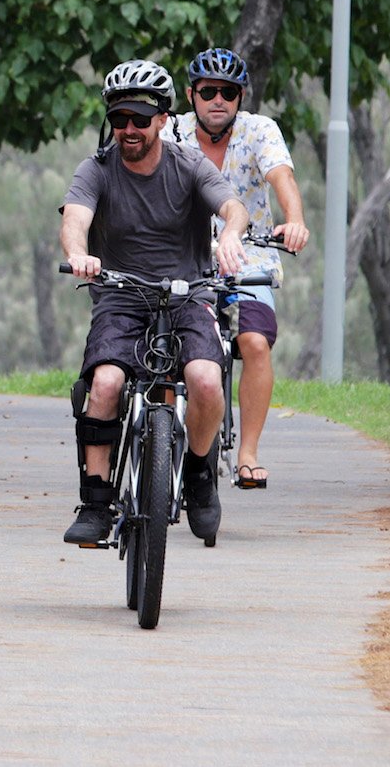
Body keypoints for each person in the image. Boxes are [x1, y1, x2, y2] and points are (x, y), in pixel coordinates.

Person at [60, 59, 247, 546]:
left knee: (206, 378)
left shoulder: (188, 164)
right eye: (119, 118)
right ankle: (96, 503)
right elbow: (75, 220)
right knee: (104, 384)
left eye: (140, 119)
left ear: (163, 119)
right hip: (120, 297)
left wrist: (229, 235)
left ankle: (201, 474)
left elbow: (233, 206)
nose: (129, 129)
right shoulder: (96, 169)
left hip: (188, 295)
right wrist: (79, 255)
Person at [162, 47, 309, 489]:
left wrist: (295, 221)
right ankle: (162, 445)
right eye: (208, 91)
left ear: (241, 96)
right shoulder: (171, 132)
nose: (218, 100)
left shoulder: (260, 130)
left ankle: (247, 452)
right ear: (191, 95)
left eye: (228, 91)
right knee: (163, 345)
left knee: (255, 342)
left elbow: (283, 179)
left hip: (249, 256)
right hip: (182, 259)